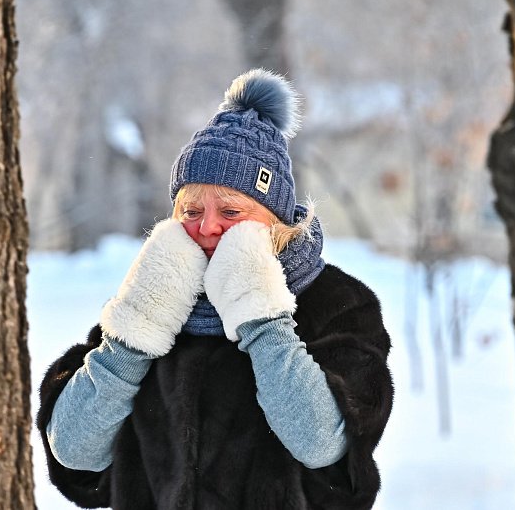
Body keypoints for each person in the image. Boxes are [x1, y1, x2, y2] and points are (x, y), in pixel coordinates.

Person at [36, 69, 393, 509]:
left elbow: (323, 446)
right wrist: (137, 331)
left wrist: (261, 317)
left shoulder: (336, 303)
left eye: (230, 210)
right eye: (190, 210)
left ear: (274, 220)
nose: (206, 227)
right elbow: (75, 453)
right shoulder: (155, 296)